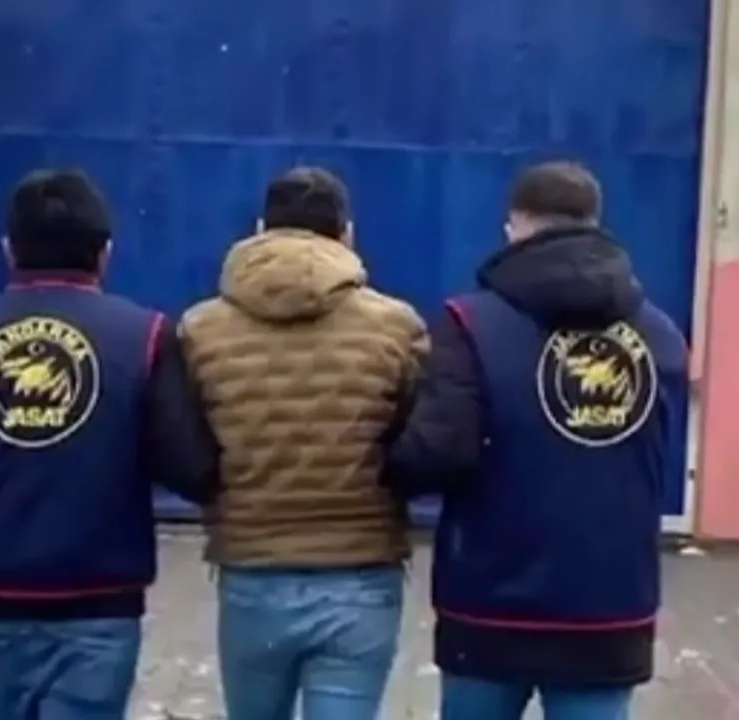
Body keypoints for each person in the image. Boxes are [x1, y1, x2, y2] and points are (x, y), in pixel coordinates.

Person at [0, 168, 219, 720]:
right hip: (101, 602)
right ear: (105, 252)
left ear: (8, 248)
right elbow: (190, 470)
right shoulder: (145, 338)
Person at [387, 161, 689, 720]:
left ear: (516, 226)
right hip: (610, 603)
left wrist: (388, 457)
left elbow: (438, 455)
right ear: (595, 223)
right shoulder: (659, 334)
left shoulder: (469, 323)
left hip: (489, 604)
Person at [178, 166, 428, 720]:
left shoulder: (200, 329)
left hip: (251, 568)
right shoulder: (397, 326)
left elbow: (185, 448)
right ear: (347, 233)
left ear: (260, 228)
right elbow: (423, 441)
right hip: (360, 571)